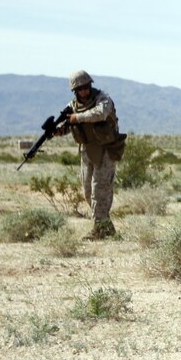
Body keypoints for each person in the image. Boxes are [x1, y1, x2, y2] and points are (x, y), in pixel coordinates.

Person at [58, 70, 126, 238]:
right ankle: (106, 228)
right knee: (88, 192)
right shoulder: (73, 106)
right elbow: (70, 123)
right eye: (79, 89)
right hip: (88, 151)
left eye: (86, 87)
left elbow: (100, 114)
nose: (83, 91)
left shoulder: (103, 99)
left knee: (99, 190)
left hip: (106, 151)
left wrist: (76, 118)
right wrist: (59, 130)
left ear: (90, 85)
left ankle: (99, 230)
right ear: (75, 91)